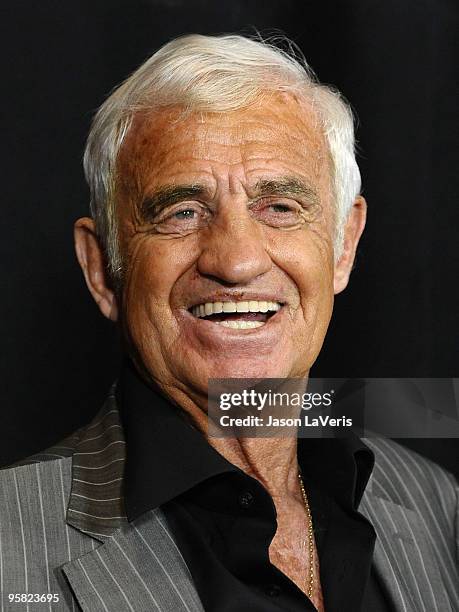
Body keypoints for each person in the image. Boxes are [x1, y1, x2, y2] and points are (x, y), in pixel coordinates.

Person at [1, 34, 457, 612]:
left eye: (280, 207)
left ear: (343, 245)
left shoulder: (435, 502)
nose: (236, 260)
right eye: (182, 211)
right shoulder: (7, 548)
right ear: (101, 269)